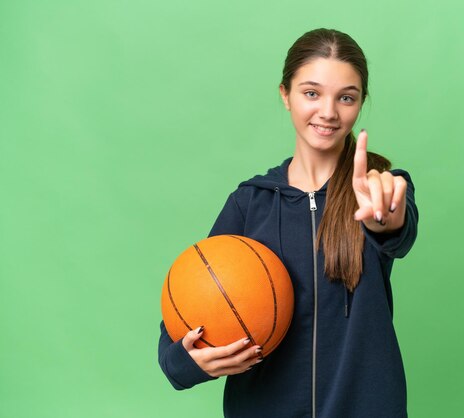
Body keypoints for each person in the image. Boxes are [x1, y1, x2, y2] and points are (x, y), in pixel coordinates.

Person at [158, 28, 419, 418]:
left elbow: (397, 230)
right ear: (285, 95)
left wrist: (386, 218)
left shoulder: (379, 186)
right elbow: (181, 319)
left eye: (345, 97)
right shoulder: (250, 202)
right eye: (311, 93)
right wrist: (188, 361)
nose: (328, 112)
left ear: (360, 103)